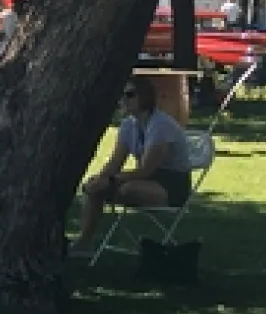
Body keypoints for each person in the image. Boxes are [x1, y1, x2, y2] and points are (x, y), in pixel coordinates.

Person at [70, 77, 197, 256]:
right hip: (145, 179)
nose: (123, 100)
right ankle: (84, 242)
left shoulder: (160, 125)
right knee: (95, 186)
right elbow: (115, 163)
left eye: (129, 95)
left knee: (126, 190)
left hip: (171, 185)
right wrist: (100, 179)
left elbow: (146, 169)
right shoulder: (128, 125)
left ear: (144, 97)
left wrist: (111, 181)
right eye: (121, 95)